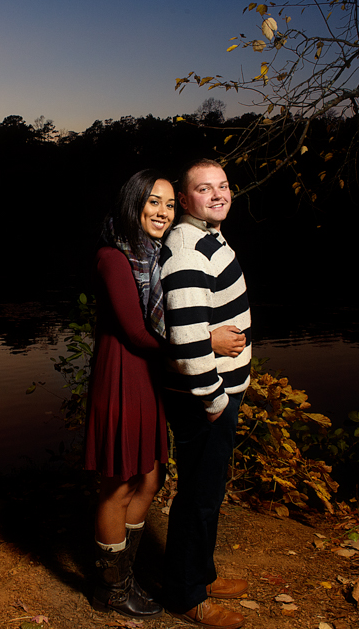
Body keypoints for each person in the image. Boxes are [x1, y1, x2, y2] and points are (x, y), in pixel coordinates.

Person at [160, 159, 251, 629]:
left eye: (223, 186)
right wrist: (213, 397)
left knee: (209, 490)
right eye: (203, 188)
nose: (218, 195)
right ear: (185, 197)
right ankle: (187, 594)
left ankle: (201, 573)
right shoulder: (187, 247)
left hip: (219, 391)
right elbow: (187, 339)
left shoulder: (208, 235)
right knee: (198, 494)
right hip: (206, 398)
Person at [84, 169, 175, 618]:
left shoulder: (156, 255)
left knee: (151, 478)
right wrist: (196, 346)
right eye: (154, 201)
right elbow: (137, 333)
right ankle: (110, 590)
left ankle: (125, 575)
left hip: (149, 376)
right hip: (122, 373)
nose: (162, 211)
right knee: (118, 484)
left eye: (170, 204)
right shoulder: (113, 257)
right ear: (134, 202)